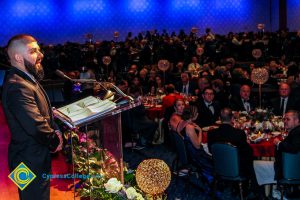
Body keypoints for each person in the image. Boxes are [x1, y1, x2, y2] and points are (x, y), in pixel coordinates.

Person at [2, 34, 63, 200]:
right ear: (18, 57)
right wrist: (55, 141)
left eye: (39, 49)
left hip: (32, 157)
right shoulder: (17, 86)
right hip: (27, 160)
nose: (41, 55)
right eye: (33, 51)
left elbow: (37, 113)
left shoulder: (26, 79)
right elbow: (35, 125)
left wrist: (51, 115)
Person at [207, 107, 254, 178]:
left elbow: (211, 150)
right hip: (236, 168)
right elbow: (247, 153)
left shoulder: (211, 133)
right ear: (232, 118)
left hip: (218, 167)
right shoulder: (239, 133)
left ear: (219, 119)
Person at [273, 110, 300, 180]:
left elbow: (294, 148)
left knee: (255, 165)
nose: (285, 121)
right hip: (289, 167)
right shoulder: (295, 131)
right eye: (284, 119)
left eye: (288, 119)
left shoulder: (297, 132)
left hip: (289, 169)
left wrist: (279, 143)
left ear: (297, 121)